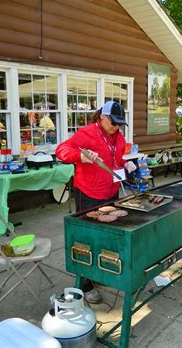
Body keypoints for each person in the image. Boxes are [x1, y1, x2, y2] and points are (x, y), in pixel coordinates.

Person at [55, 101, 136, 304]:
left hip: (111, 191)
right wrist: (80, 156)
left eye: (119, 123)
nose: (116, 126)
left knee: (107, 236)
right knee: (87, 238)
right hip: (89, 192)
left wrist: (127, 163)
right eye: (113, 122)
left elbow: (116, 159)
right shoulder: (87, 133)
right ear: (102, 117)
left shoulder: (119, 135)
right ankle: (85, 284)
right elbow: (62, 151)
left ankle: (100, 273)